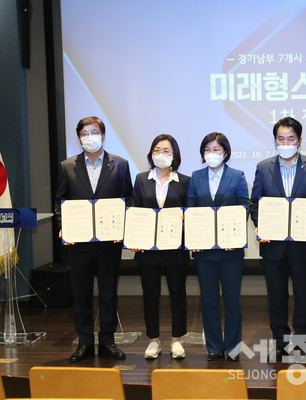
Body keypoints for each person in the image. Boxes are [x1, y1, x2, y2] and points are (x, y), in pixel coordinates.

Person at [249, 117, 306, 361]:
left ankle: (301, 341)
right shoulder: (263, 168)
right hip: (273, 246)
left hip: (304, 246)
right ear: (275, 141)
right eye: (281, 139)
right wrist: (260, 225)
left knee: (304, 296)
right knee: (276, 297)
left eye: (290, 139)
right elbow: (255, 203)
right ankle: (280, 342)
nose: (286, 143)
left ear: (299, 141)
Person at [54, 116, 133, 362]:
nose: (90, 137)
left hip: (109, 242)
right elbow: (60, 201)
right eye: (84, 133)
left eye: (94, 132)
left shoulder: (120, 164)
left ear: (103, 135)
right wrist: (63, 227)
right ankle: (85, 343)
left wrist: (123, 227)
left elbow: (128, 200)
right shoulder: (67, 166)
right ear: (79, 138)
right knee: (81, 294)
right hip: (79, 243)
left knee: (108, 293)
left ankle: (108, 341)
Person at [187, 132, 249, 361]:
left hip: (231, 251)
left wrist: (233, 235)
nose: (211, 153)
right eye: (207, 149)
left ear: (225, 152)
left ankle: (233, 347)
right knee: (208, 300)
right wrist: (195, 237)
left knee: (232, 300)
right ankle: (213, 346)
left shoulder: (237, 176)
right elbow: (191, 208)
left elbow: (244, 207)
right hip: (204, 251)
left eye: (216, 149)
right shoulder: (196, 177)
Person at [131, 134, 189, 359]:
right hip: (148, 251)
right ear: (151, 154)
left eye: (166, 151)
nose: (161, 154)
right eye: (156, 150)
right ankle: (153, 340)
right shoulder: (141, 179)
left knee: (178, 295)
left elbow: (190, 212)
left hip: (175, 250)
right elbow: (135, 210)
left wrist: (185, 219)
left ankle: (176, 340)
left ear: (174, 155)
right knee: (150, 295)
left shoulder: (185, 181)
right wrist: (135, 239)